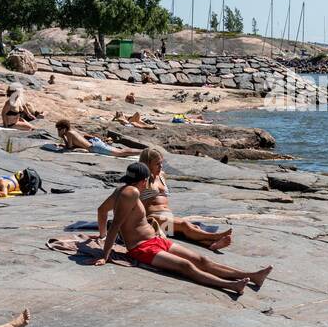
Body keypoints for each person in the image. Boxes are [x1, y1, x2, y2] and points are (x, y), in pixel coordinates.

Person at [98, 163, 270, 295]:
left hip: (157, 240)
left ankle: (253, 276)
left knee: (202, 260)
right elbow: (116, 225)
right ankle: (231, 285)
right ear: (143, 180)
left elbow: (102, 211)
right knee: (186, 266)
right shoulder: (131, 193)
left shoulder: (121, 191)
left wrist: (101, 235)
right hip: (141, 248)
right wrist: (105, 255)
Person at [137, 147, 232, 249]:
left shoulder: (161, 175)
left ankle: (211, 245)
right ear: (147, 164)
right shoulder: (142, 180)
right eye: (157, 164)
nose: (161, 166)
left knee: (194, 227)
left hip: (167, 217)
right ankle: (216, 237)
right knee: (184, 225)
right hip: (153, 219)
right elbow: (134, 199)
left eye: (161, 162)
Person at [56, 119, 143, 157]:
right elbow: (73, 145)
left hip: (95, 147)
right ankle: (143, 152)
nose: (58, 131)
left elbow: (69, 147)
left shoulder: (69, 134)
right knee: (120, 151)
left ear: (64, 128)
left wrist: (63, 137)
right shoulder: (71, 131)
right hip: (94, 143)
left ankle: (143, 152)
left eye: (59, 129)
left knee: (120, 153)